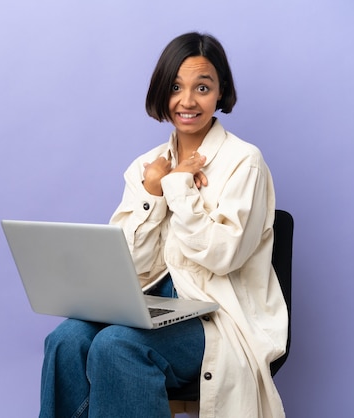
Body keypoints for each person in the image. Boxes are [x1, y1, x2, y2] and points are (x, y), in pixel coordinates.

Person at [39, 32, 288, 418]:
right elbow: (129, 267)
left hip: (215, 319)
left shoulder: (244, 162)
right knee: (66, 340)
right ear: (161, 91)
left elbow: (222, 257)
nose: (187, 101)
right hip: (150, 304)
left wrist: (178, 188)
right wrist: (152, 192)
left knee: (117, 346)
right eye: (175, 87)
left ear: (220, 92)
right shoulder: (148, 165)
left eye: (202, 87)